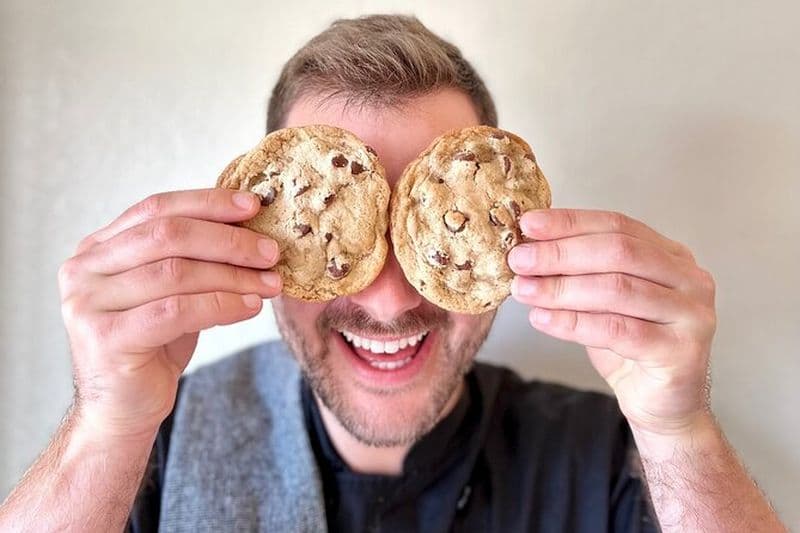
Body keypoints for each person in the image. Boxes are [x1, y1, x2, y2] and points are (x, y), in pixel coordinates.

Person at [0, 14, 786, 533]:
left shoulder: (610, 456)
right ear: (257, 222)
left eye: (419, 234)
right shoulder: (152, 450)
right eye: (346, 238)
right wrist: (105, 427)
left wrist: (680, 433)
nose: (387, 296)